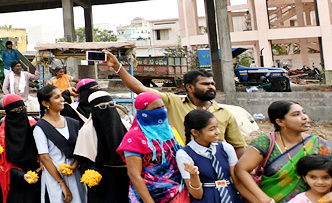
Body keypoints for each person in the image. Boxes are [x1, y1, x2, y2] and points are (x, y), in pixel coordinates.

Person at [106, 53, 247, 155]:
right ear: (190, 87)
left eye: (212, 84)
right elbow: (141, 89)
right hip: (179, 167)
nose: (211, 87)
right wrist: (118, 67)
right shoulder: (172, 102)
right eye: (205, 84)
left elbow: (238, 147)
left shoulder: (225, 113)